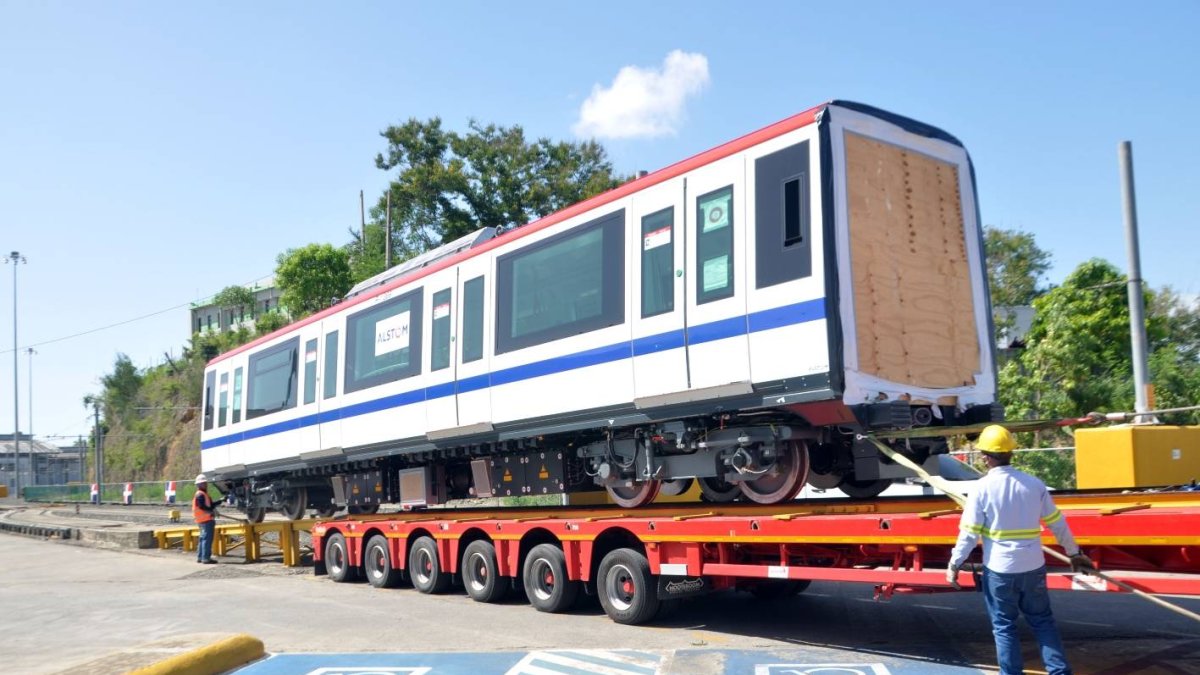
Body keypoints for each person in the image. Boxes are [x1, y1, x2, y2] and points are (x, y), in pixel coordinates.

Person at [947, 424, 1093, 675]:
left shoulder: (980, 489)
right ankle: (1059, 671)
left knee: (1004, 626)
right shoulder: (1034, 485)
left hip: (1000, 570)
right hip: (1033, 567)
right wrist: (1074, 553)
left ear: (984, 456)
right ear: (1011, 452)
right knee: (1042, 621)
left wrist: (954, 564)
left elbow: (969, 535)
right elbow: (1058, 524)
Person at [192, 474, 219, 564]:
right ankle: (205, 558)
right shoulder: (200, 494)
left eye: (205, 483)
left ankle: (200, 557)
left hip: (202, 520)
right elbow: (202, 506)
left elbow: (209, 505)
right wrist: (211, 511)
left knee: (203, 538)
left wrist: (220, 501)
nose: (205, 484)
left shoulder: (203, 494)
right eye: (203, 483)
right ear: (199, 485)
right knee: (207, 539)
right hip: (206, 519)